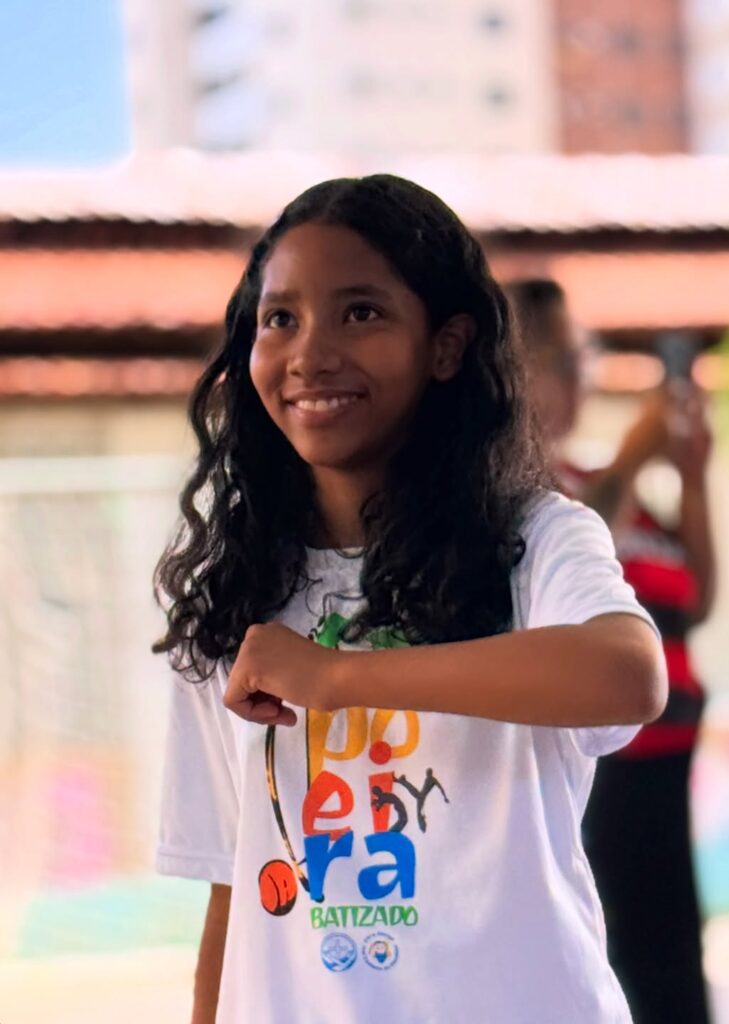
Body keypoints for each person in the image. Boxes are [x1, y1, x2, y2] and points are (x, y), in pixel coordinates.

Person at [152, 177, 667, 1024]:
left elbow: (627, 675)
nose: (311, 354)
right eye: (280, 319)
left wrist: (338, 678)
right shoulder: (229, 590)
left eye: (360, 313)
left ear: (447, 346)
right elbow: (232, 887)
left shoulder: (534, 539)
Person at [507, 277, 715, 1024]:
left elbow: (695, 601)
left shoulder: (604, 482)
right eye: (565, 362)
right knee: (621, 964)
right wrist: (635, 455)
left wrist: (690, 477)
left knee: (675, 964)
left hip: (668, 761)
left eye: (582, 361)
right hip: (604, 772)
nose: (580, 381)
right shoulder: (528, 496)